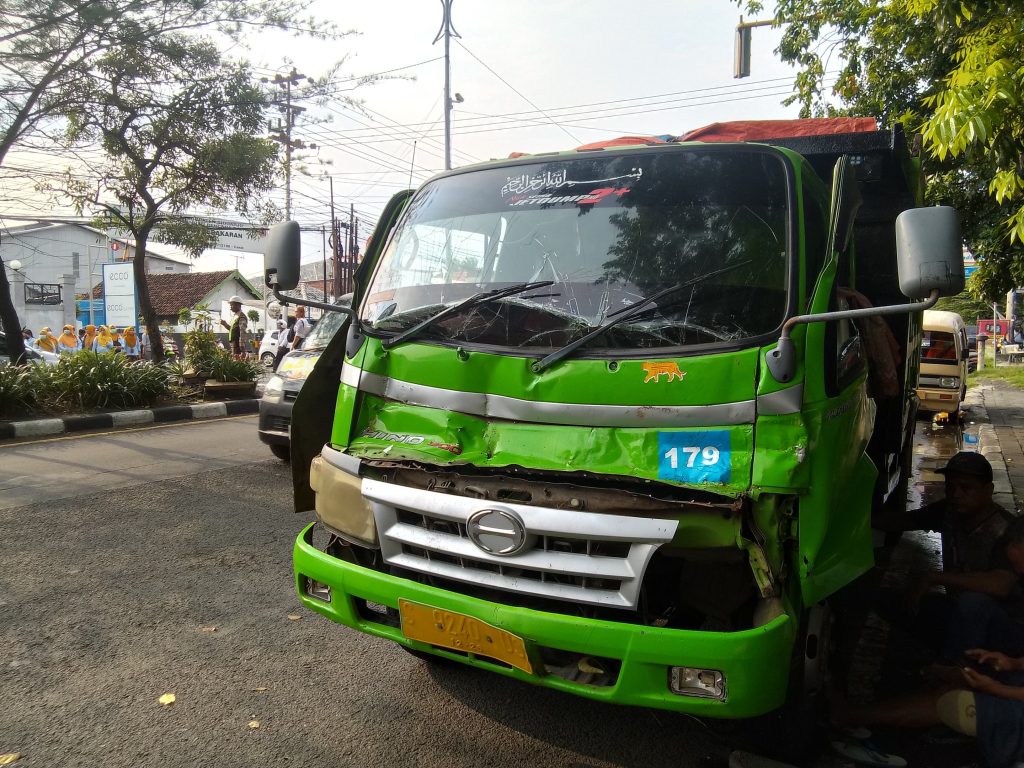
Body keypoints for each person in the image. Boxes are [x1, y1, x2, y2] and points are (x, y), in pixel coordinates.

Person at [875, 452, 1020, 659]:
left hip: (1004, 622)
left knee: (973, 603)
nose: (956, 494)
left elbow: (1000, 584)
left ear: (988, 491)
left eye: (966, 488)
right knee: (893, 601)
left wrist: (934, 577)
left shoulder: (1004, 531)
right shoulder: (949, 512)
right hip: (959, 611)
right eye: (950, 487)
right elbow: (904, 521)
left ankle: (960, 667)